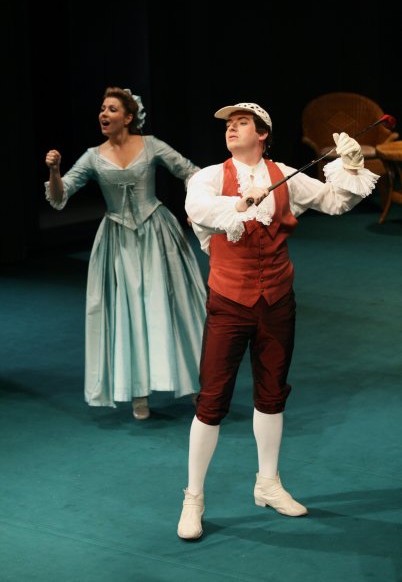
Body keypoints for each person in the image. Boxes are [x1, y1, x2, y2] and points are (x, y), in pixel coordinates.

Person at [177, 101, 379, 539]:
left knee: (271, 394)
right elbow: (199, 208)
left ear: (263, 133)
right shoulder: (209, 177)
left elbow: (335, 202)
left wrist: (350, 164)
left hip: (277, 301)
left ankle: (267, 484)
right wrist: (239, 202)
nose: (231, 128)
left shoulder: (285, 175)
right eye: (228, 124)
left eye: (242, 122)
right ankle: (193, 497)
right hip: (229, 301)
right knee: (211, 400)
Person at [45, 86, 206, 420]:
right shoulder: (93, 156)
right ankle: (138, 392)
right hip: (118, 238)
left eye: (112, 109)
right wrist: (55, 171)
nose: (104, 114)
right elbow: (60, 197)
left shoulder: (152, 145)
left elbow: (191, 172)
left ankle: (195, 384)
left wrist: (197, 208)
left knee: (171, 305)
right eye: (102, 108)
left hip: (157, 232)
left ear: (129, 117)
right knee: (128, 310)